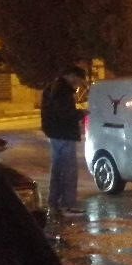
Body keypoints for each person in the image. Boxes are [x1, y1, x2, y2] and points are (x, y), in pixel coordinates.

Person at [40, 66, 88, 217]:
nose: (79, 84)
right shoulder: (63, 91)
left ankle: (54, 203)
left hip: (56, 133)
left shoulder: (53, 87)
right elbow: (65, 113)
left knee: (58, 169)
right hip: (64, 134)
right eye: (79, 80)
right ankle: (68, 205)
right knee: (68, 171)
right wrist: (81, 113)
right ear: (72, 76)